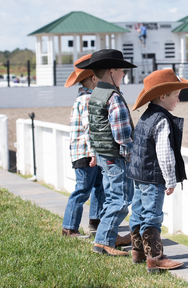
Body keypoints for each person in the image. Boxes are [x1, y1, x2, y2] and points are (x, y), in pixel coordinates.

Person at [127, 68, 188, 273]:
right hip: (153, 176)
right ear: (163, 96)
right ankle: (155, 258)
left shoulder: (147, 115)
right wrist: (170, 179)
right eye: (176, 96)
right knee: (152, 215)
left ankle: (138, 251)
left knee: (138, 211)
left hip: (138, 174)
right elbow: (164, 153)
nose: (178, 100)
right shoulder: (162, 120)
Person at [76, 49, 137, 256]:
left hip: (103, 155)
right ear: (111, 71)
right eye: (122, 71)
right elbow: (122, 134)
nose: (123, 75)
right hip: (115, 157)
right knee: (121, 199)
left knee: (111, 197)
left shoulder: (94, 95)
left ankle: (108, 236)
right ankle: (103, 241)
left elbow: (93, 128)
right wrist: (131, 156)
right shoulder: (114, 97)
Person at [62, 54, 106, 238]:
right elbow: (91, 129)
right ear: (94, 78)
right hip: (86, 154)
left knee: (98, 186)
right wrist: (95, 153)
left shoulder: (81, 99)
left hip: (83, 152)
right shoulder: (88, 100)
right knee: (83, 189)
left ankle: (95, 222)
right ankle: (69, 227)